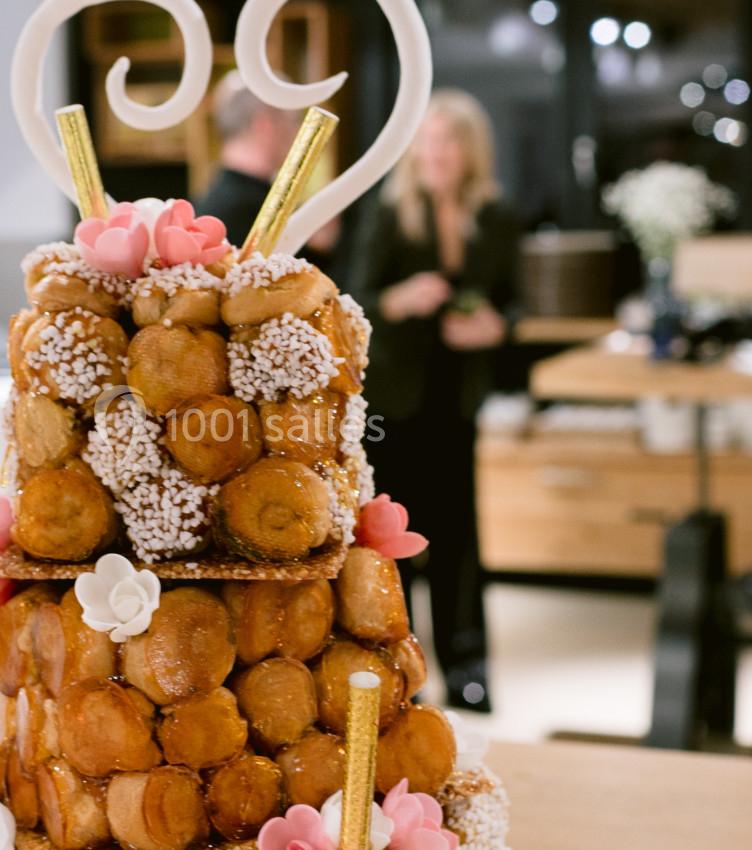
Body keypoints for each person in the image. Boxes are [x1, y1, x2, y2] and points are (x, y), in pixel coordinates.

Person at [348, 89, 520, 712]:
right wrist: (403, 299)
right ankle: (405, 676)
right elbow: (356, 298)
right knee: (397, 545)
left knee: (458, 541)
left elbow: (515, 301)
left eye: (450, 139)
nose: (438, 151)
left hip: (457, 401)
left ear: (470, 150)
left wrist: (497, 325)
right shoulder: (388, 214)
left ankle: (469, 668)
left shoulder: (497, 216)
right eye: (430, 138)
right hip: (395, 405)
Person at [195, 71, 336, 266]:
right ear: (266, 124)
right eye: (293, 120)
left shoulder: (218, 199)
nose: (296, 132)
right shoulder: (246, 208)